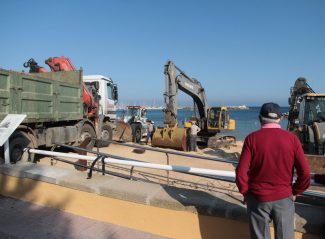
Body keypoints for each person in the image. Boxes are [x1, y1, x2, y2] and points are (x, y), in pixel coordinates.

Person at [236, 102, 311, 239]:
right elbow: (305, 173)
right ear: (281, 119)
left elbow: (241, 172)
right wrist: (295, 191)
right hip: (284, 197)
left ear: (260, 118)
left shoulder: (251, 139)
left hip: (257, 198)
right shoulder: (292, 139)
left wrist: (246, 193)